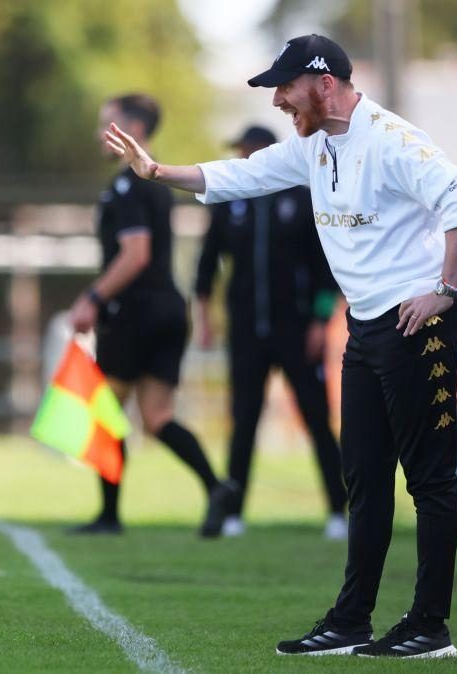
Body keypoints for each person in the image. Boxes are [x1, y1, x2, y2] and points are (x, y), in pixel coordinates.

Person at [104, 34, 457, 659]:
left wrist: (443, 289)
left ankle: (429, 625)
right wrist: (157, 171)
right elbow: (240, 177)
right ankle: (352, 621)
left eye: (285, 87)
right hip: (367, 326)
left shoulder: (391, 138)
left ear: (324, 82)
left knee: (429, 481)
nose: (278, 100)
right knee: (362, 478)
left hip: (419, 324)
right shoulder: (314, 147)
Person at [68, 93, 227, 537]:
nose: (103, 133)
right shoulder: (156, 183)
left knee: (106, 408)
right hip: (168, 309)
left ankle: (109, 515)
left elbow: (135, 255)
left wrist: (93, 299)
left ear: (134, 130)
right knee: (156, 418)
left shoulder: (128, 185)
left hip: (136, 311)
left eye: (110, 123)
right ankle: (218, 487)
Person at [193, 124, 348, 540]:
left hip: (295, 330)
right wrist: (205, 319)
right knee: (243, 420)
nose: (243, 158)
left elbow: (324, 270)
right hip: (246, 332)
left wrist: (320, 321)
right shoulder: (228, 205)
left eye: (248, 151)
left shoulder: (300, 199)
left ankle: (338, 510)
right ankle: (233, 513)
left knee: (316, 418)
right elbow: (206, 267)